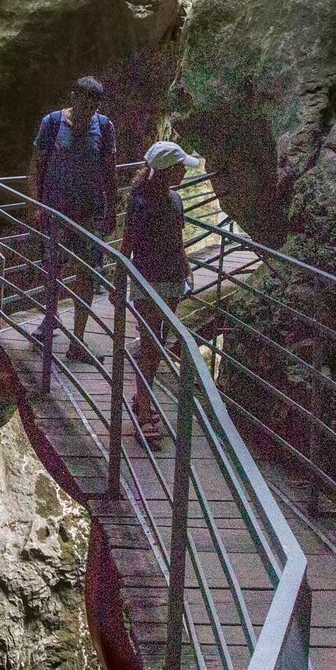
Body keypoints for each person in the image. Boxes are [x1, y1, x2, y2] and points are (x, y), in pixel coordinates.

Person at [28, 76, 118, 354]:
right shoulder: (52, 122)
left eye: (93, 107)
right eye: (84, 104)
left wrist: (111, 209)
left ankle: (77, 339)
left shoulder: (104, 127)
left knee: (86, 273)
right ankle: (50, 319)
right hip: (55, 211)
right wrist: (36, 205)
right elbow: (36, 167)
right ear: (73, 97)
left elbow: (109, 172)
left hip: (88, 213)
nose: (88, 112)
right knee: (52, 267)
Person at [123, 141, 199, 446]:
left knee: (158, 342)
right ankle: (143, 414)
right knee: (151, 345)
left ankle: (142, 398)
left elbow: (177, 238)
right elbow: (127, 243)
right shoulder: (139, 203)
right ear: (167, 171)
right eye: (180, 167)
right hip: (147, 281)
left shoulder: (176, 200)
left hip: (172, 279)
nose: (184, 172)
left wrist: (187, 267)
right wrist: (119, 282)